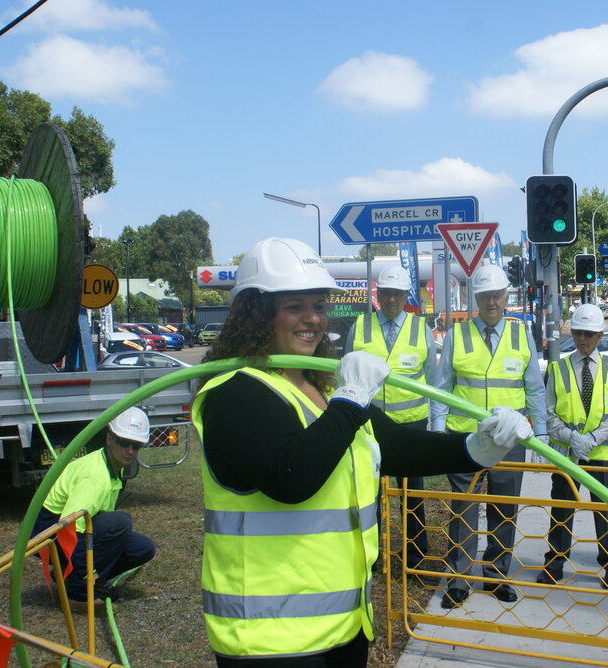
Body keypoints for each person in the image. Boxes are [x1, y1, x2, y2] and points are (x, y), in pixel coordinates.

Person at [192, 238, 532, 667]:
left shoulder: (322, 393)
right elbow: (291, 476)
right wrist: (351, 401)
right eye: (294, 307)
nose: (313, 319)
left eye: (318, 306)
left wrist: (478, 447)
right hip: (268, 642)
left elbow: (399, 447)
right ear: (257, 314)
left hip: (342, 628)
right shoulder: (235, 394)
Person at [430, 262, 548, 609]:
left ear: (507, 297)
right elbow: (441, 387)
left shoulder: (521, 335)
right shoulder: (456, 335)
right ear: (475, 299)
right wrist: (439, 430)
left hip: (509, 442)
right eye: (485, 296)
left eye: (497, 295)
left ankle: (497, 575)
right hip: (465, 440)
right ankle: (459, 579)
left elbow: (534, 390)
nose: (491, 302)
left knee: (504, 510)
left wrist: (539, 433)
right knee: (463, 509)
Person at [345, 263, 437, 570]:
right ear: (378, 295)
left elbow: (434, 381)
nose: (391, 300)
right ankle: (373, 558)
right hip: (369, 426)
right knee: (371, 493)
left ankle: (415, 557)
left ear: (405, 295)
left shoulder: (420, 328)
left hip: (411, 426)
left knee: (411, 496)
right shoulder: (359, 327)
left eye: (397, 294)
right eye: (386, 293)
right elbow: (346, 375)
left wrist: (436, 425)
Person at [537, 303, 608, 589]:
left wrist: (592, 439)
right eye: (578, 333)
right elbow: (548, 414)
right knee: (562, 508)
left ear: (600, 335)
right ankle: (554, 562)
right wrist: (570, 437)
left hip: (601, 452)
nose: (583, 339)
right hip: (566, 453)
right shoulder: (558, 369)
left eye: (589, 334)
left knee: (604, 509)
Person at [31, 407, 156, 604]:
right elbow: (69, 528)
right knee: (120, 523)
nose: (130, 451)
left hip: (67, 531)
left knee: (142, 548)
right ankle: (79, 595)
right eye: (124, 443)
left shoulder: (115, 467)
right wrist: (86, 576)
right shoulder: (95, 477)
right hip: (49, 535)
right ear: (109, 439)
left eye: (137, 445)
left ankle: (68, 575)